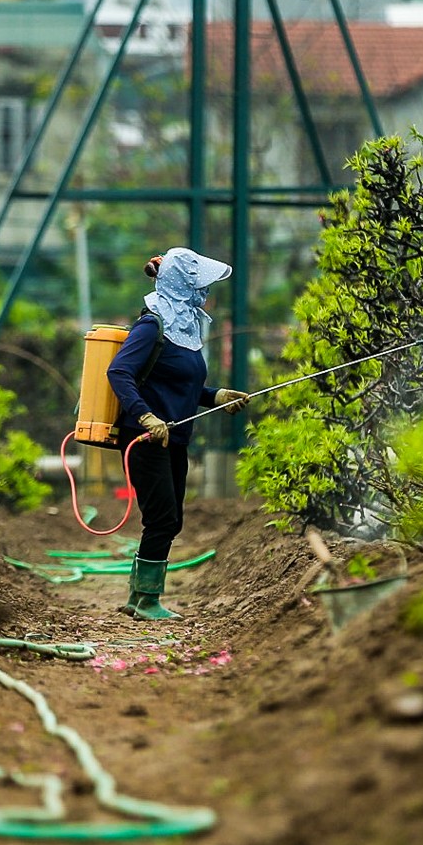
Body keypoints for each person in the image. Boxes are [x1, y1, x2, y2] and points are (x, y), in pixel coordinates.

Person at [106, 247, 250, 620]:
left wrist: (214, 396)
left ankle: (139, 597)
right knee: (163, 518)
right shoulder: (151, 325)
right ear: (181, 284)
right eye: (199, 285)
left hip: (174, 438)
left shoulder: (183, 325)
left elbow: (179, 382)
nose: (204, 293)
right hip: (146, 437)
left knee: (169, 519)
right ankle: (147, 600)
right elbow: (119, 372)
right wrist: (146, 417)